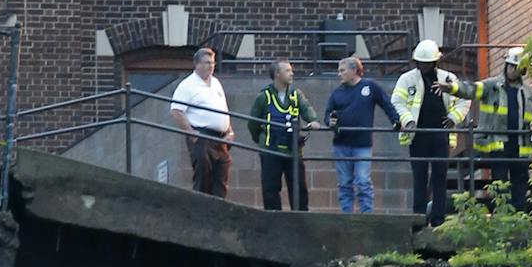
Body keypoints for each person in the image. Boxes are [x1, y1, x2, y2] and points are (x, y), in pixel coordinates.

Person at [439, 45, 532, 211]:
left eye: (517, 67)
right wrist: (452, 88)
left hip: (521, 145)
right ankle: (503, 216)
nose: (513, 70)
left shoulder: (528, 92)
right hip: (498, 143)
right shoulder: (492, 86)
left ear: (523, 70)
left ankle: (520, 217)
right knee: (500, 182)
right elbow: (470, 89)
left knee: (521, 182)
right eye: (511, 66)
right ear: (506, 66)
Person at [392, 40, 469, 227]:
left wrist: (453, 118)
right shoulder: (407, 79)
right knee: (419, 177)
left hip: (440, 134)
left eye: (427, 62)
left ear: (435, 62)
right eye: (421, 62)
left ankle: (437, 220)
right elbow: (397, 101)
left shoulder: (448, 78)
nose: (424, 66)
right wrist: (408, 120)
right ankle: (418, 219)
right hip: (417, 135)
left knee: (439, 178)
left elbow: (464, 100)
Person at [323, 55, 400, 213]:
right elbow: (327, 114)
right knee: (344, 183)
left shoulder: (370, 87)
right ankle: (347, 216)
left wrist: (396, 121)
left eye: (342, 70)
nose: (339, 74)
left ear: (354, 70)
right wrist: (329, 121)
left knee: (363, 181)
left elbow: (386, 104)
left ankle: (366, 216)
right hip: (341, 144)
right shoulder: (337, 93)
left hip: (362, 144)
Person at [249, 60, 320, 210]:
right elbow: (253, 123)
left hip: (293, 149)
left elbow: (306, 108)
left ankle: (301, 221)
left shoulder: (296, 94)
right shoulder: (264, 97)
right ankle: (274, 221)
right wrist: (261, 140)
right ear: (277, 74)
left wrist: (313, 120)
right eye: (287, 70)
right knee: (271, 189)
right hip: (271, 150)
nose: (291, 73)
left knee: (299, 187)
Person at [170, 47, 234, 198]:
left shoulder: (216, 83)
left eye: (212, 63)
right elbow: (176, 110)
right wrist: (192, 133)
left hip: (221, 139)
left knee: (221, 180)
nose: (211, 66)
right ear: (196, 64)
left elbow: (223, 109)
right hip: (202, 137)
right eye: (206, 63)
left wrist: (230, 131)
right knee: (203, 177)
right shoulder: (188, 85)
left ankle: (219, 215)